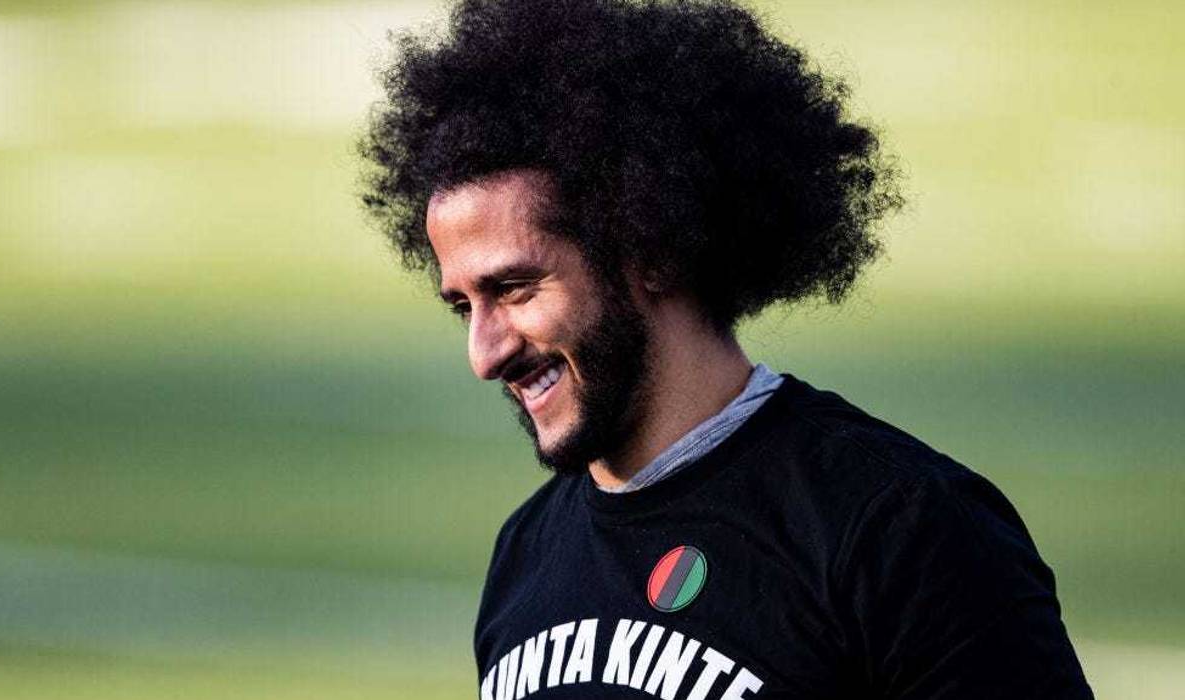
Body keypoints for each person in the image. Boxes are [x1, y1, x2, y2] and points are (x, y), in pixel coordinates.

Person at [360, 0, 1094, 697]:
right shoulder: (527, 553)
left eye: (515, 289)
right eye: (462, 305)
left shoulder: (896, 528)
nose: (483, 355)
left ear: (650, 248)